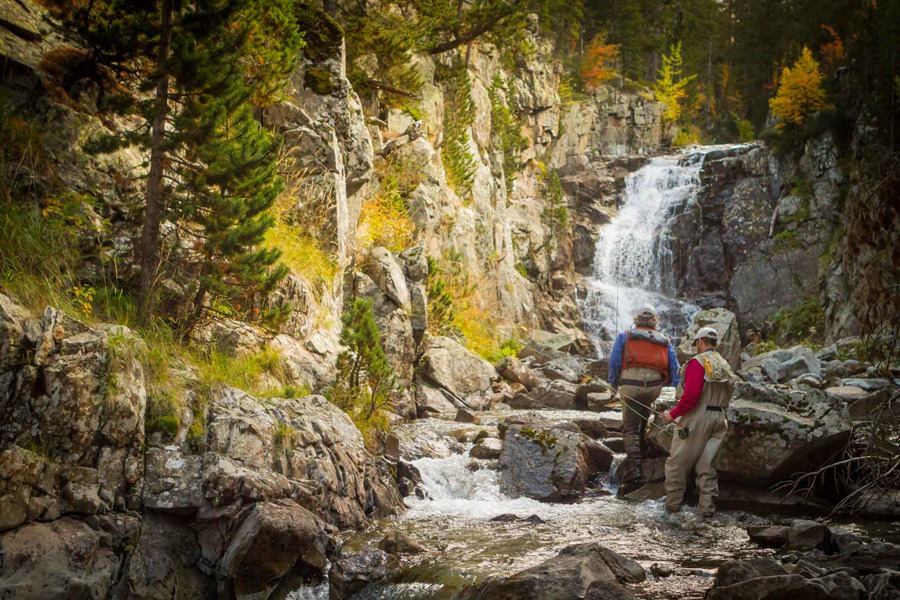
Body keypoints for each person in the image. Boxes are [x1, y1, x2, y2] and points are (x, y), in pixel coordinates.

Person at [661, 326, 738, 517]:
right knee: (706, 467)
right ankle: (706, 511)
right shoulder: (724, 364)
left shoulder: (698, 362)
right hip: (720, 418)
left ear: (700, 342)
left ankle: (672, 510)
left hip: (698, 418)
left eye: (697, 344)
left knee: (676, 464)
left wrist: (672, 414)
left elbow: (691, 397)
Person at [608, 305, 680, 482]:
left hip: (630, 387)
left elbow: (614, 361)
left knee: (630, 427)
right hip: (654, 389)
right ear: (655, 321)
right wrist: (679, 391)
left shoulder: (624, 336)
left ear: (636, 320)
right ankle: (642, 451)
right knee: (643, 417)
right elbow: (675, 368)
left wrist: (613, 383)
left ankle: (635, 467)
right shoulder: (665, 340)